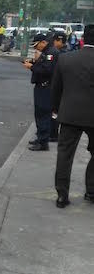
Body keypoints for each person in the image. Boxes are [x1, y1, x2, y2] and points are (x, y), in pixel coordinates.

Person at [51, 24, 94, 208]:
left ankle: (62, 196)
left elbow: (56, 88)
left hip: (69, 115)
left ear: (83, 38)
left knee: (65, 155)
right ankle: (91, 192)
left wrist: (55, 110)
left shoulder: (66, 59)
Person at [23, 33, 60, 151]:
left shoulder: (51, 52)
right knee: (39, 114)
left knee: (43, 114)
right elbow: (43, 66)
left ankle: (43, 142)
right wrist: (33, 63)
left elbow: (47, 70)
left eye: (36, 45)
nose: (35, 48)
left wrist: (31, 67)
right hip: (41, 87)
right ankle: (40, 138)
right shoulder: (47, 51)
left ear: (43, 42)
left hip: (46, 88)